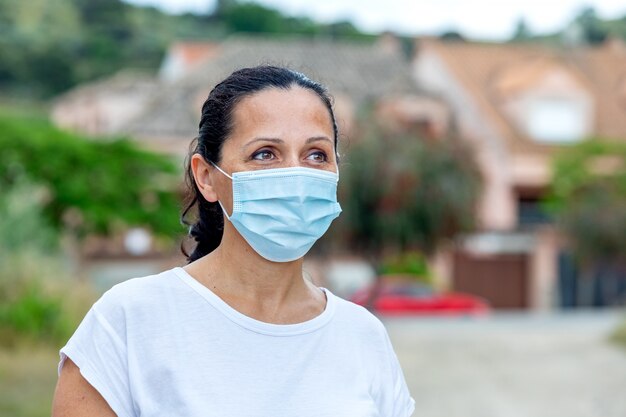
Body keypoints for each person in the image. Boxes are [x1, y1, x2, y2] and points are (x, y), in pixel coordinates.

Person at [52, 65, 415, 417]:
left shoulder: (363, 336)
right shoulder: (129, 322)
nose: (296, 173)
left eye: (316, 154)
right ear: (207, 177)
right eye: (265, 154)